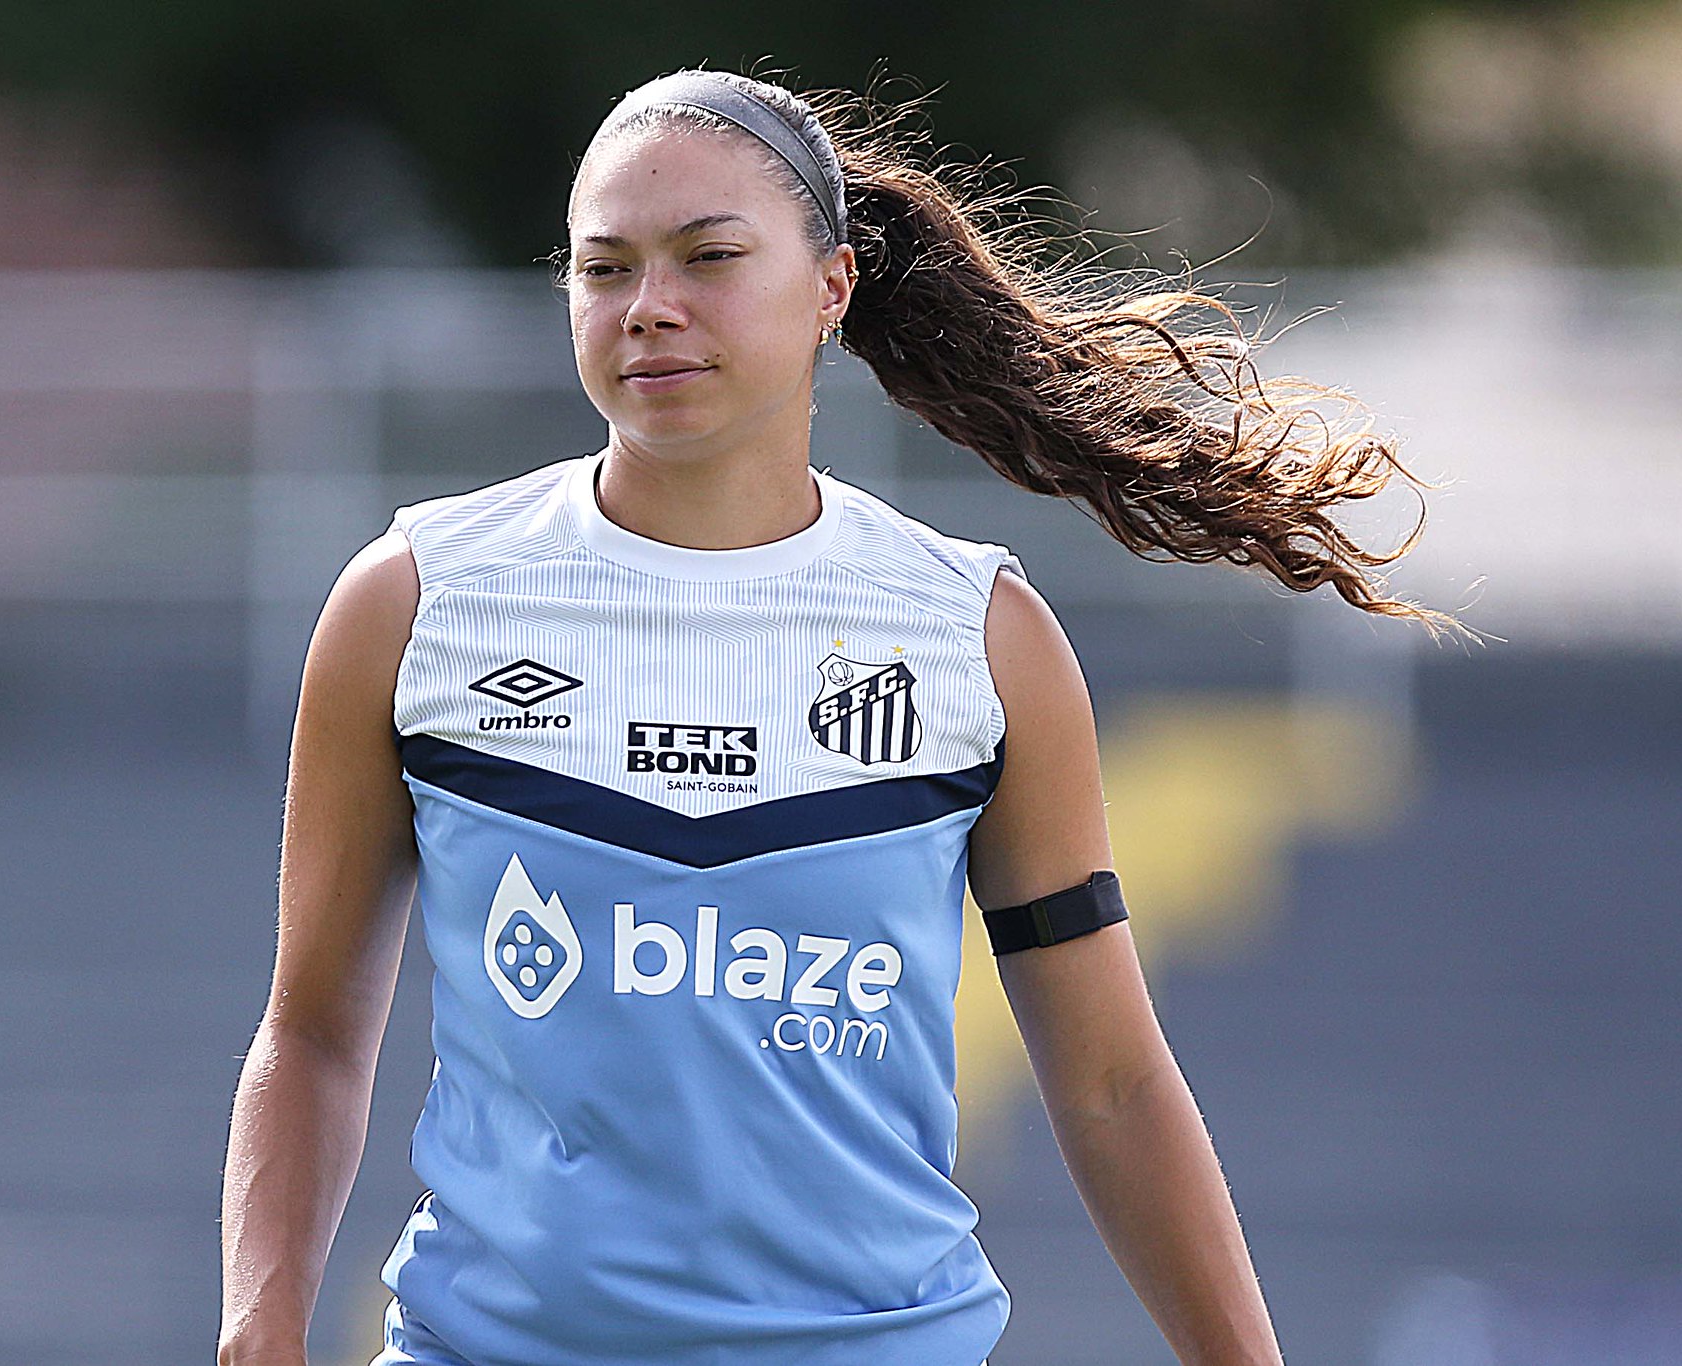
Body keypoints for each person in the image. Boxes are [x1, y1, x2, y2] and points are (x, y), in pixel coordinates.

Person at [218, 67, 1457, 1366]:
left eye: (709, 257)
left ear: (833, 289)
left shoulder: (978, 635)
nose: (650, 308)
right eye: (604, 269)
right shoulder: (416, 601)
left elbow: (1111, 1083)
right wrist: (262, 1324)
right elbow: (309, 1031)